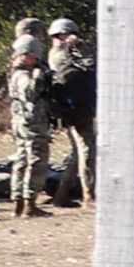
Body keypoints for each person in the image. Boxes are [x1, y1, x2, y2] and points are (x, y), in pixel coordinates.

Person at [47, 17, 96, 209]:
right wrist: (80, 49)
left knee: (79, 153)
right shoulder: (59, 56)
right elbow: (88, 66)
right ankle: (88, 195)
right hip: (75, 109)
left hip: (76, 107)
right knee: (87, 150)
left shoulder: (62, 53)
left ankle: (62, 194)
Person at [8, 34, 53, 218]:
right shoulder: (21, 74)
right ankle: (29, 203)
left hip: (23, 123)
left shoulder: (17, 71)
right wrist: (38, 77)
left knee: (22, 160)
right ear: (23, 54)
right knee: (36, 160)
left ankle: (20, 201)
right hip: (31, 124)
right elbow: (29, 92)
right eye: (32, 57)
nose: (35, 60)